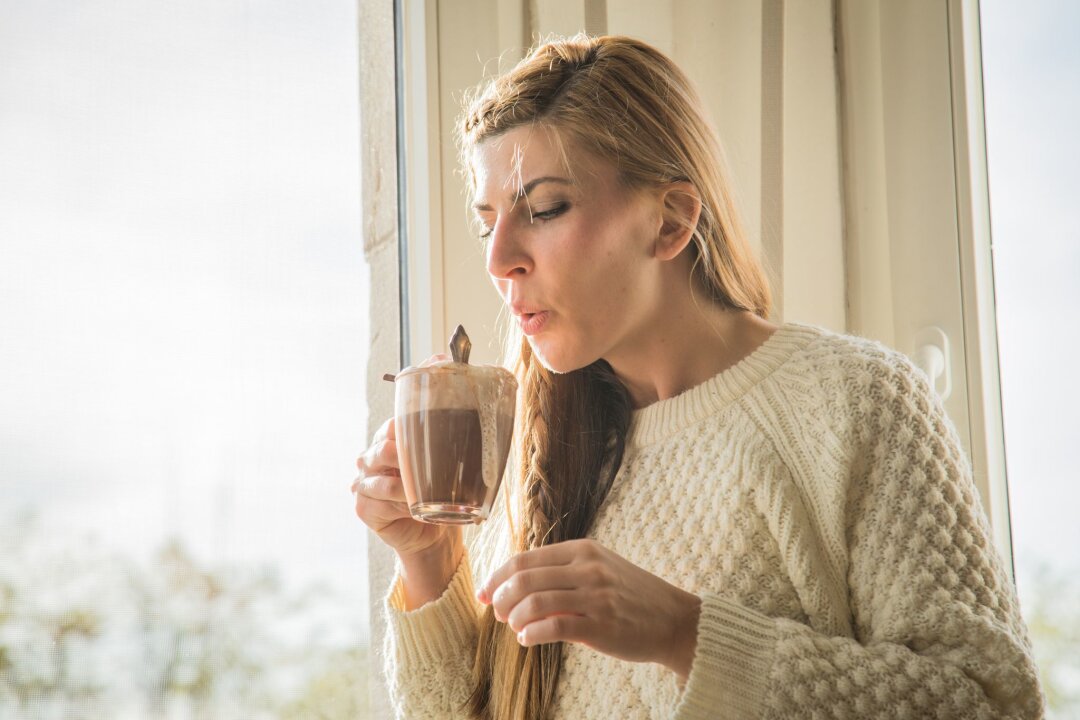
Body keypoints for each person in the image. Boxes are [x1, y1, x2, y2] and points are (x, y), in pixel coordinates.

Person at [352, 34, 1044, 720]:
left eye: (545, 209)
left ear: (672, 219)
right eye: (487, 225)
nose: (500, 259)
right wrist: (429, 561)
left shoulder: (857, 402)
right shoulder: (531, 444)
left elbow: (990, 704)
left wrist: (683, 633)